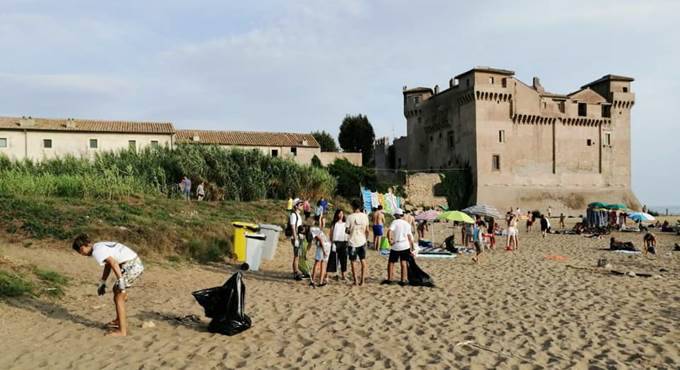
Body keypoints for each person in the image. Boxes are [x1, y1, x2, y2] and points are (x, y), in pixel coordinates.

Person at [72, 234, 144, 337]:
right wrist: (103, 282)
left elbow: (114, 263)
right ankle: (119, 320)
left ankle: (122, 331)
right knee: (116, 291)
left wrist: (121, 281)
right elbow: (108, 264)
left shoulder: (97, 251)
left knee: (119, 296)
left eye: (81, 250)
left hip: (132, 266)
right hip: (132, 263)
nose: (81, 254)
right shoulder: (98, 247)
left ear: (86, 245)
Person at [383, 209, 414, 285]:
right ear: (402, 215)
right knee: (403, 263)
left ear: (396, 215)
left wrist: (390, 240)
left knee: (391, 262)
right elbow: (409, 236)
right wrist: (412, 247)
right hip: (405, 245)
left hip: (396, 246)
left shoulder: (395, 222)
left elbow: (389, 231)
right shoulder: (407, 224)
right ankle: (403, 280)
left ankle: (390, 279)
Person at [347, 199, 369, 286]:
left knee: (353, 261)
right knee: (363, 261)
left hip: (352, 242)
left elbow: (347, 231)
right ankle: (362, 281)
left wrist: (351, 230)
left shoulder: (350, 217)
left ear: (352, 206)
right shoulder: (365, 216)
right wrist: (366, 239)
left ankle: (355, 280)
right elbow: (367, 230)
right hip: (362, 241)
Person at [330, 209, 349, 281]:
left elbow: (347, 233)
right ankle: (336, 274)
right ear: (337, 214)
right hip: (335, 242)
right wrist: (332, 242)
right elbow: (331, 234)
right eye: (339, 213)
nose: (341, 215)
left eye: (342, 213)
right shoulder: (334, 223)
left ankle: (344, 275)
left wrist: (347, 241)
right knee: (335, 259)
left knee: (343, 260)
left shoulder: (346, 223)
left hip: (343, 243)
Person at [289, 199, 304, 280]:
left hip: (299, 237)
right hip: (295, 238)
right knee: (296, 255)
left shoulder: (298, 215)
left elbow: (299, 227)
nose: (302, 206)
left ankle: (296, 271)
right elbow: (293, 227)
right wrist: (295, 239)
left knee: (298, 255)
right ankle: (295, 273)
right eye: (300, 204)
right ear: (296, 206)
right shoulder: (293, 215)